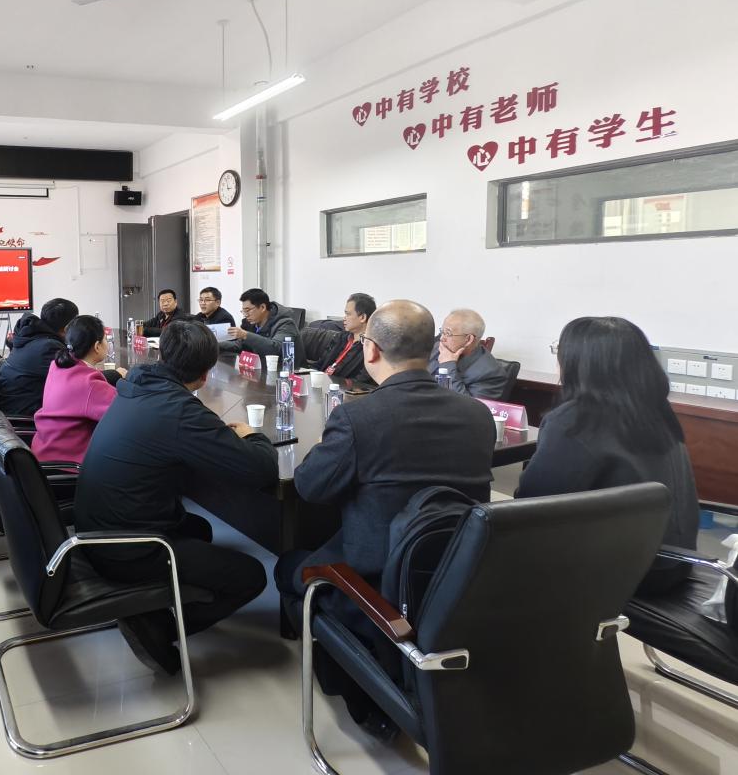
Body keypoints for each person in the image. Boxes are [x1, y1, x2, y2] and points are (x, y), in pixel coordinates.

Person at [277, 300, 495, 735]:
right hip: (457, 570)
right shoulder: (477, 414)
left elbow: (310, 487)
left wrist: (325, 449)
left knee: (287, 568)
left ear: (371, 350)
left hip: (377, 581)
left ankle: (356, 682)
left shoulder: (358, 416)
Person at [76, 321, 278, 675]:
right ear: (205, 374)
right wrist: (252, 436)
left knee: (199, 529)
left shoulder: (135, 387)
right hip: (128, 548)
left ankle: (158, 601)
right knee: (252, 576)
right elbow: (260, 470)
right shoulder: (179, 410)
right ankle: (157, 629)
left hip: (94, 528)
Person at [516, 316, 698, 596]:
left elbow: (531, 506)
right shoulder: (655, 410)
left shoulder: (576, 420)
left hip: (620, 572)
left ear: (579, 362)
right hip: (676, 561)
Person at [31, 315, 123, 465]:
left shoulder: (58, 365)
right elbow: (123, 414)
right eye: (105, 339)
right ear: (97, 346)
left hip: (44, 451)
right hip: (68, 464)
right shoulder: (89, 383)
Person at [0, 298, 79, 416]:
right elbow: (76, 382)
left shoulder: (29, 336)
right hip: (26, 415)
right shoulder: (49, 347)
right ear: (67, 328)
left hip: (12, 404)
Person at [427, 308, 508, 398]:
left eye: (448, 333)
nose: (442, 338)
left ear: (469, 339)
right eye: (442, 331)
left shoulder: (491, 374)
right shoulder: (436, 346)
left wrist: (447, 366)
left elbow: (465, 405)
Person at [298, 292, 377, 385]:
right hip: (322, 383)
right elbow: (321, 363)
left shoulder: (371, 347)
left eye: (348, 314)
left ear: (362, 317)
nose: (344, 318)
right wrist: (307, 374)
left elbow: (360, 382)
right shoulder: (341, 337)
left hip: (340, 389)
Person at [223, 288, 300, 357]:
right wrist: (217, 344)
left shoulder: (286, 324)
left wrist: (246, 335)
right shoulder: (250, 323)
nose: (246, 315)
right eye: (243, 311)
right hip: (259, 365)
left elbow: (276, 350)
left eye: (248, 310)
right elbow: (240, 345)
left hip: (285, 367)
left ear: (262, 307)